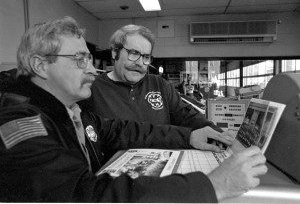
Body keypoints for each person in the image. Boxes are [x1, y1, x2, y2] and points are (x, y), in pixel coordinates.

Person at [0, 16, 267, 202]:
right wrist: (212, 185)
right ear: (39, 65)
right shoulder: (22, 127)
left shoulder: (73, 111)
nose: (92, 69)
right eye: (79, 59)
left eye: (89, 59)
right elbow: (84, 196)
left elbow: (125, 130)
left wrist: (190, 136)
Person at [82, 24, 219, 131]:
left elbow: (188, 116)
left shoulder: (159, 84)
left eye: (146, 57)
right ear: (114, 52)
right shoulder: (92, 89)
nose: (140, 63)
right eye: (134, 53)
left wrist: (217, 133)